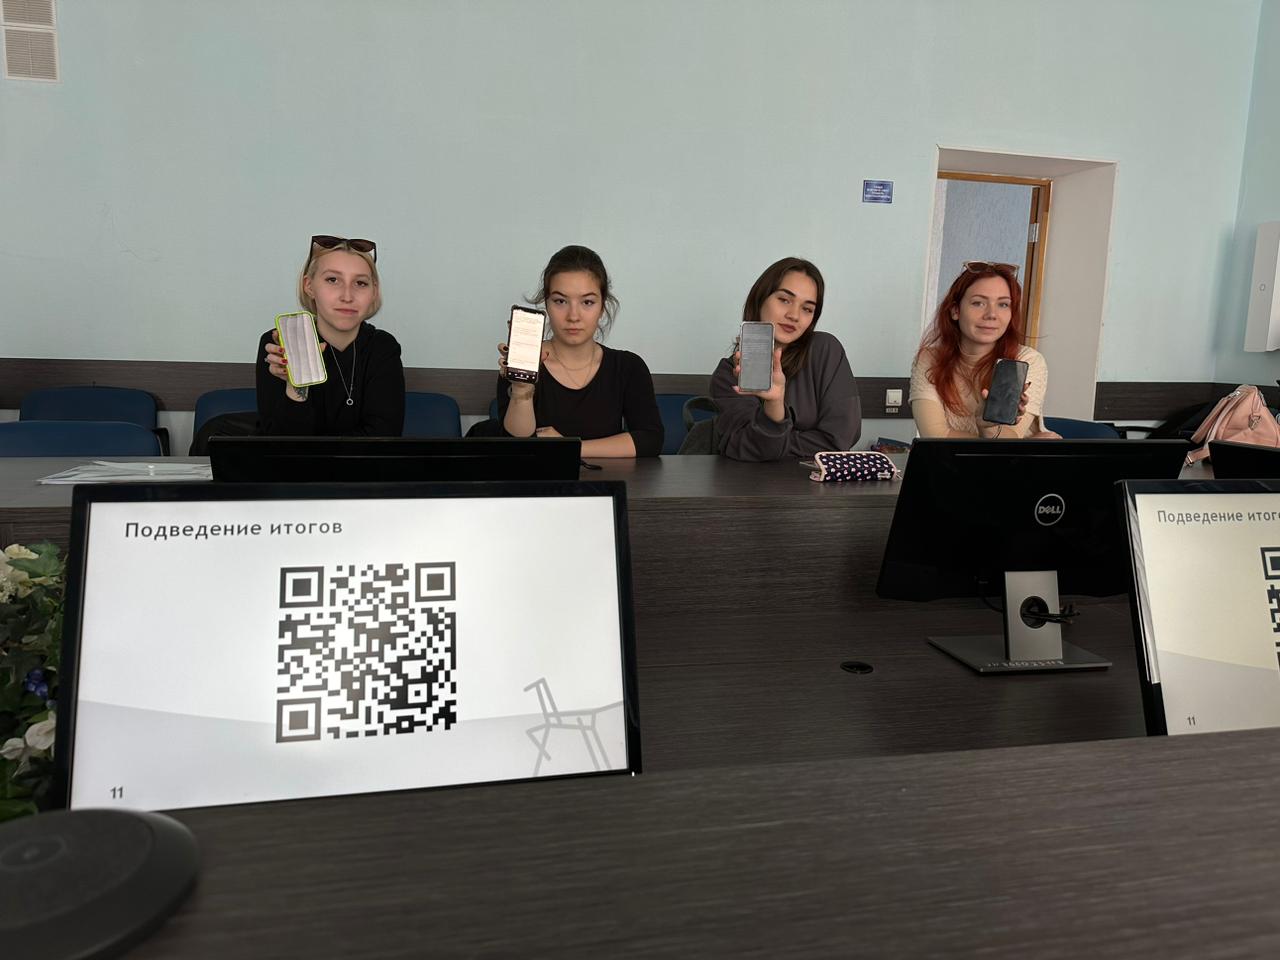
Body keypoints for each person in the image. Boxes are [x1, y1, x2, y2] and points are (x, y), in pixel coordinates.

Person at [496, 245, 662, 457]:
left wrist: (570, 448)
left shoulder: (628, 367)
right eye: (560, 301)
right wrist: (521, 389)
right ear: (546, 304)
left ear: (602, 307)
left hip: (608, 479)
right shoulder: (521, 363)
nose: (573, 316)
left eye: (587, 302)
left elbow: (650, 439)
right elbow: (515, 447)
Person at [709, 257, 861, 461]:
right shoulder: (728, 375)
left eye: (807, 309)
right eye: (784, 300)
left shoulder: (825, 350)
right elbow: (745, 449)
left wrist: (775, 445)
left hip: (818, 481)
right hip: (750, 482)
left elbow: (840, 440)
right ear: (760, 298)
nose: (794, 315)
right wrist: (774, 404)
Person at [257, 235, 405, 436]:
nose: (347, 296)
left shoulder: (383, 347)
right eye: (332, 280)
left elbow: (383, 439)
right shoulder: (279, 343)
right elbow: (280, 447)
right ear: (309, 286)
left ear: (374, 292)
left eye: (360, 283)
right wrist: (296, 389)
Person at [909, 261, 1046, 439]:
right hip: (951, 459)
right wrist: (1015, 444)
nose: (991, 314)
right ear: (955, 310)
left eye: (1003, 304)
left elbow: (1011, 441)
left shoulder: (1027, 360)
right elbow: (935, 437)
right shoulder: (929, 359)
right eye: (978, 303)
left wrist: (987, 428)